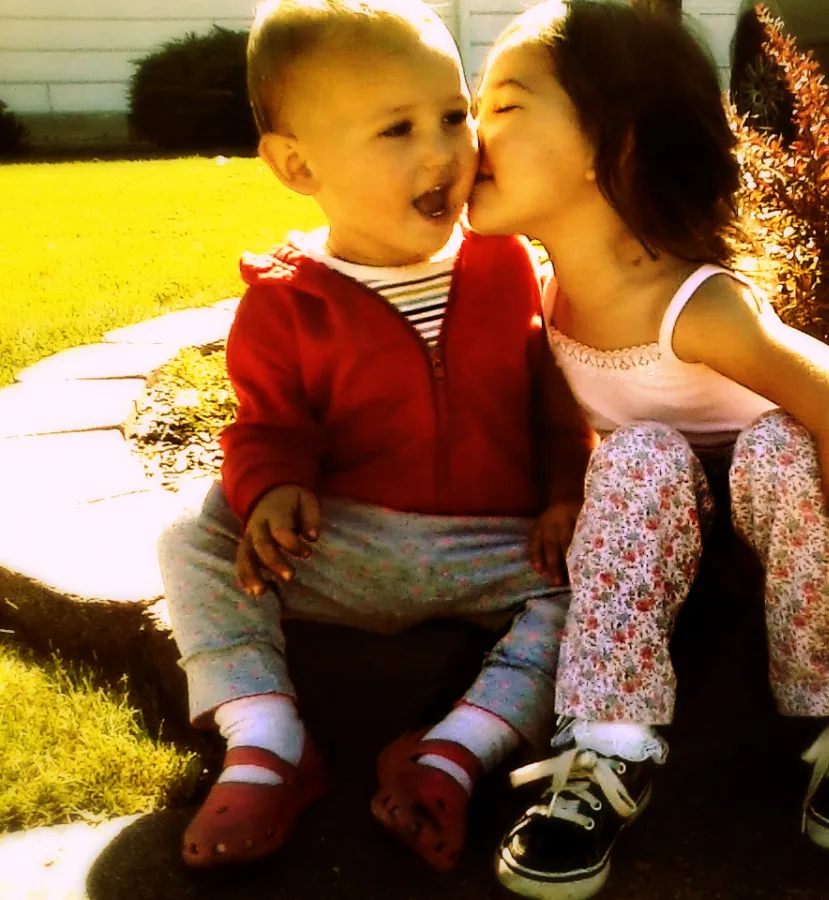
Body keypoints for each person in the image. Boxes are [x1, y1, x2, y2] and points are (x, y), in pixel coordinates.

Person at [466, 2, 829, 896]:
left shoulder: (697, 306)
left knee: (778, 446)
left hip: (780, 523)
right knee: (635, 456)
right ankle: (606, 749)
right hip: (661, 521)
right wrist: (564, 489)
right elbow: (559, 412)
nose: (473, 131)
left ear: (616, 143)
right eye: (473, 106)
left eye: (507, 106)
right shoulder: (545, 293)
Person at [156, 0, 592, 873]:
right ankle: (267, 740)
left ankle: (455, 753)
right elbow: (268, 422)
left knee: (599, 587)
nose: (443, 151)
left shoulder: (504, 263)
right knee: (191, 536)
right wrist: (274, 487)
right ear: (297, 165)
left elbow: (553, 403)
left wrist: (564, 494)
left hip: (494, 546)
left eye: (454, 116)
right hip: (344, 544)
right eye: (398, 129)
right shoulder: (286, 299)